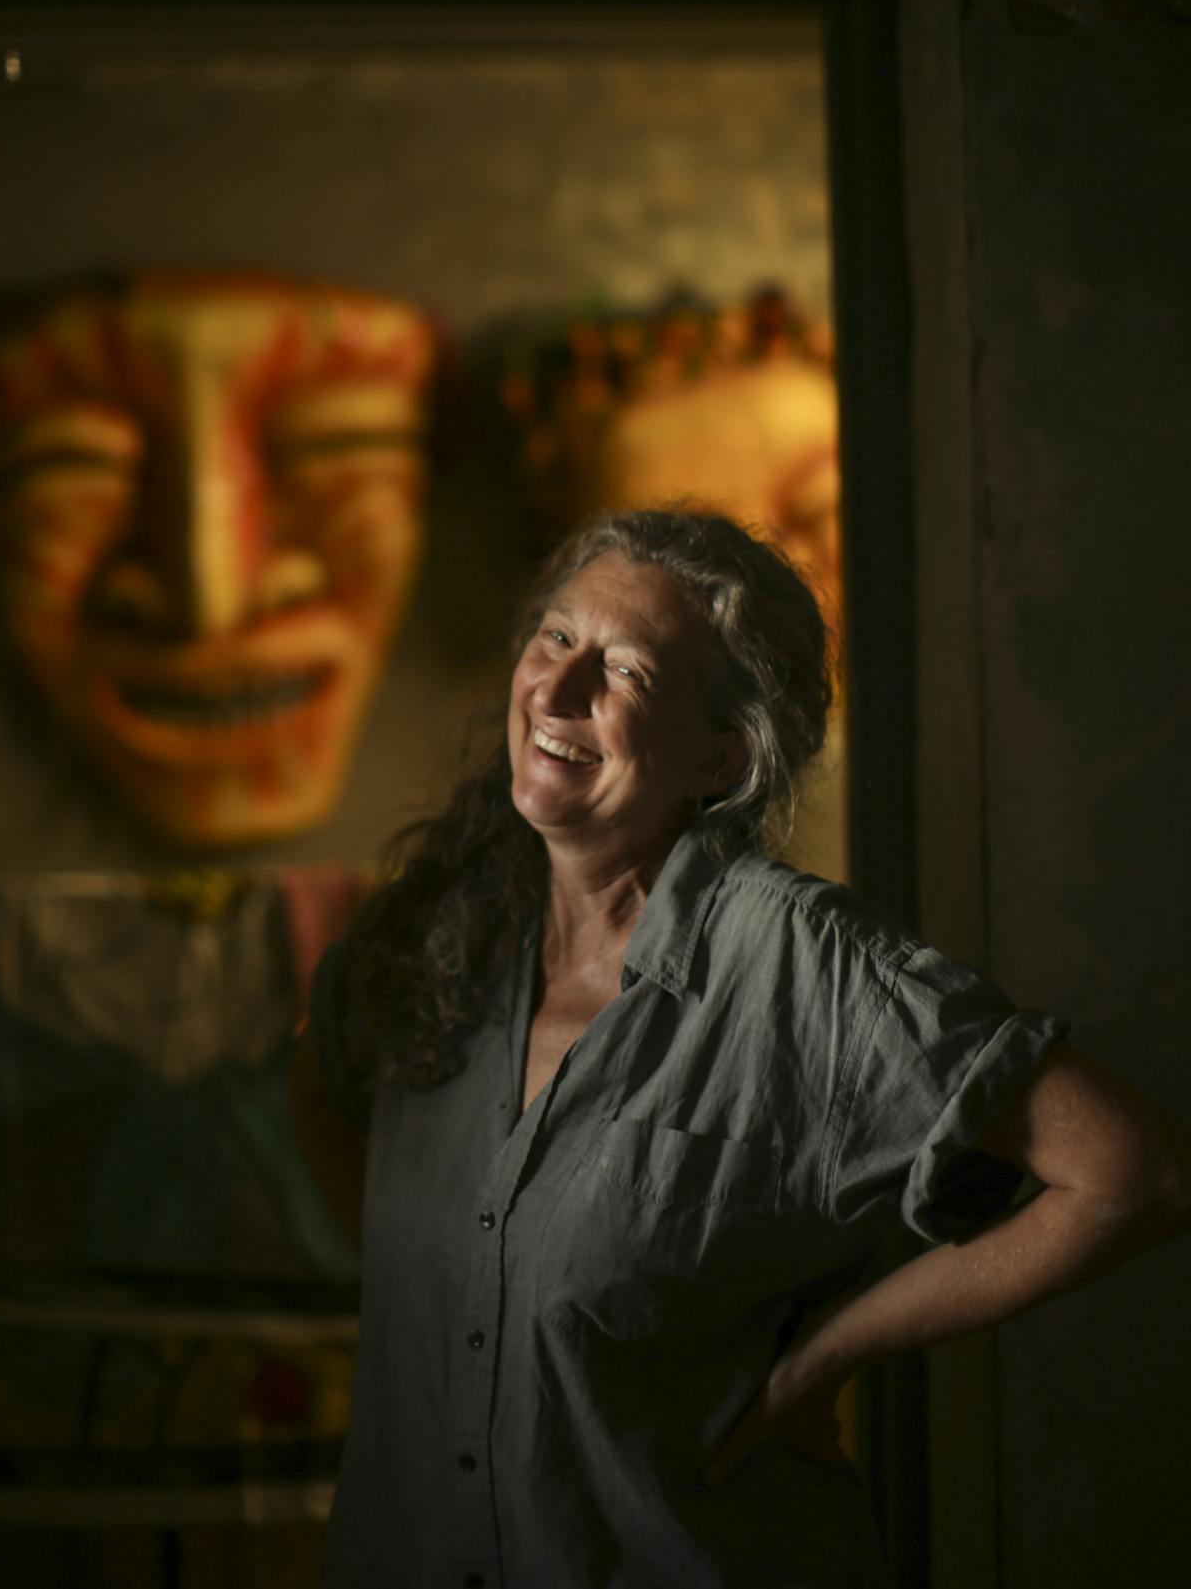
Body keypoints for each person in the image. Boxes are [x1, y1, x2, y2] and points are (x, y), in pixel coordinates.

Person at [291, 508, 1191, 1588]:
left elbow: (1134, 1173)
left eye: (620, 669)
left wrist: (824, 1358)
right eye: (554, 637)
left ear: (720, 753)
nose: (559, 690)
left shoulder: (802, 968)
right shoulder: (435, 932)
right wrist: (430, 1288)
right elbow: (315, 1078)